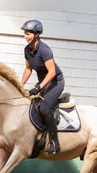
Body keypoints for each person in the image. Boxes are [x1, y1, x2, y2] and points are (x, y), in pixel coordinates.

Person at [20, 19, 64, 155]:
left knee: (44, 108)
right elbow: (28, 69)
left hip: (56, 82)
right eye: (25, 34)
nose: (25, 36)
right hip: (44, 83)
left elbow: (52, 72)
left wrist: (38, 87)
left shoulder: (45, 50)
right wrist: (19, 85)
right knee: (32, 105)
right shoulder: (27, 50)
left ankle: (55, 143)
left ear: (37, 34)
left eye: (28, 34)